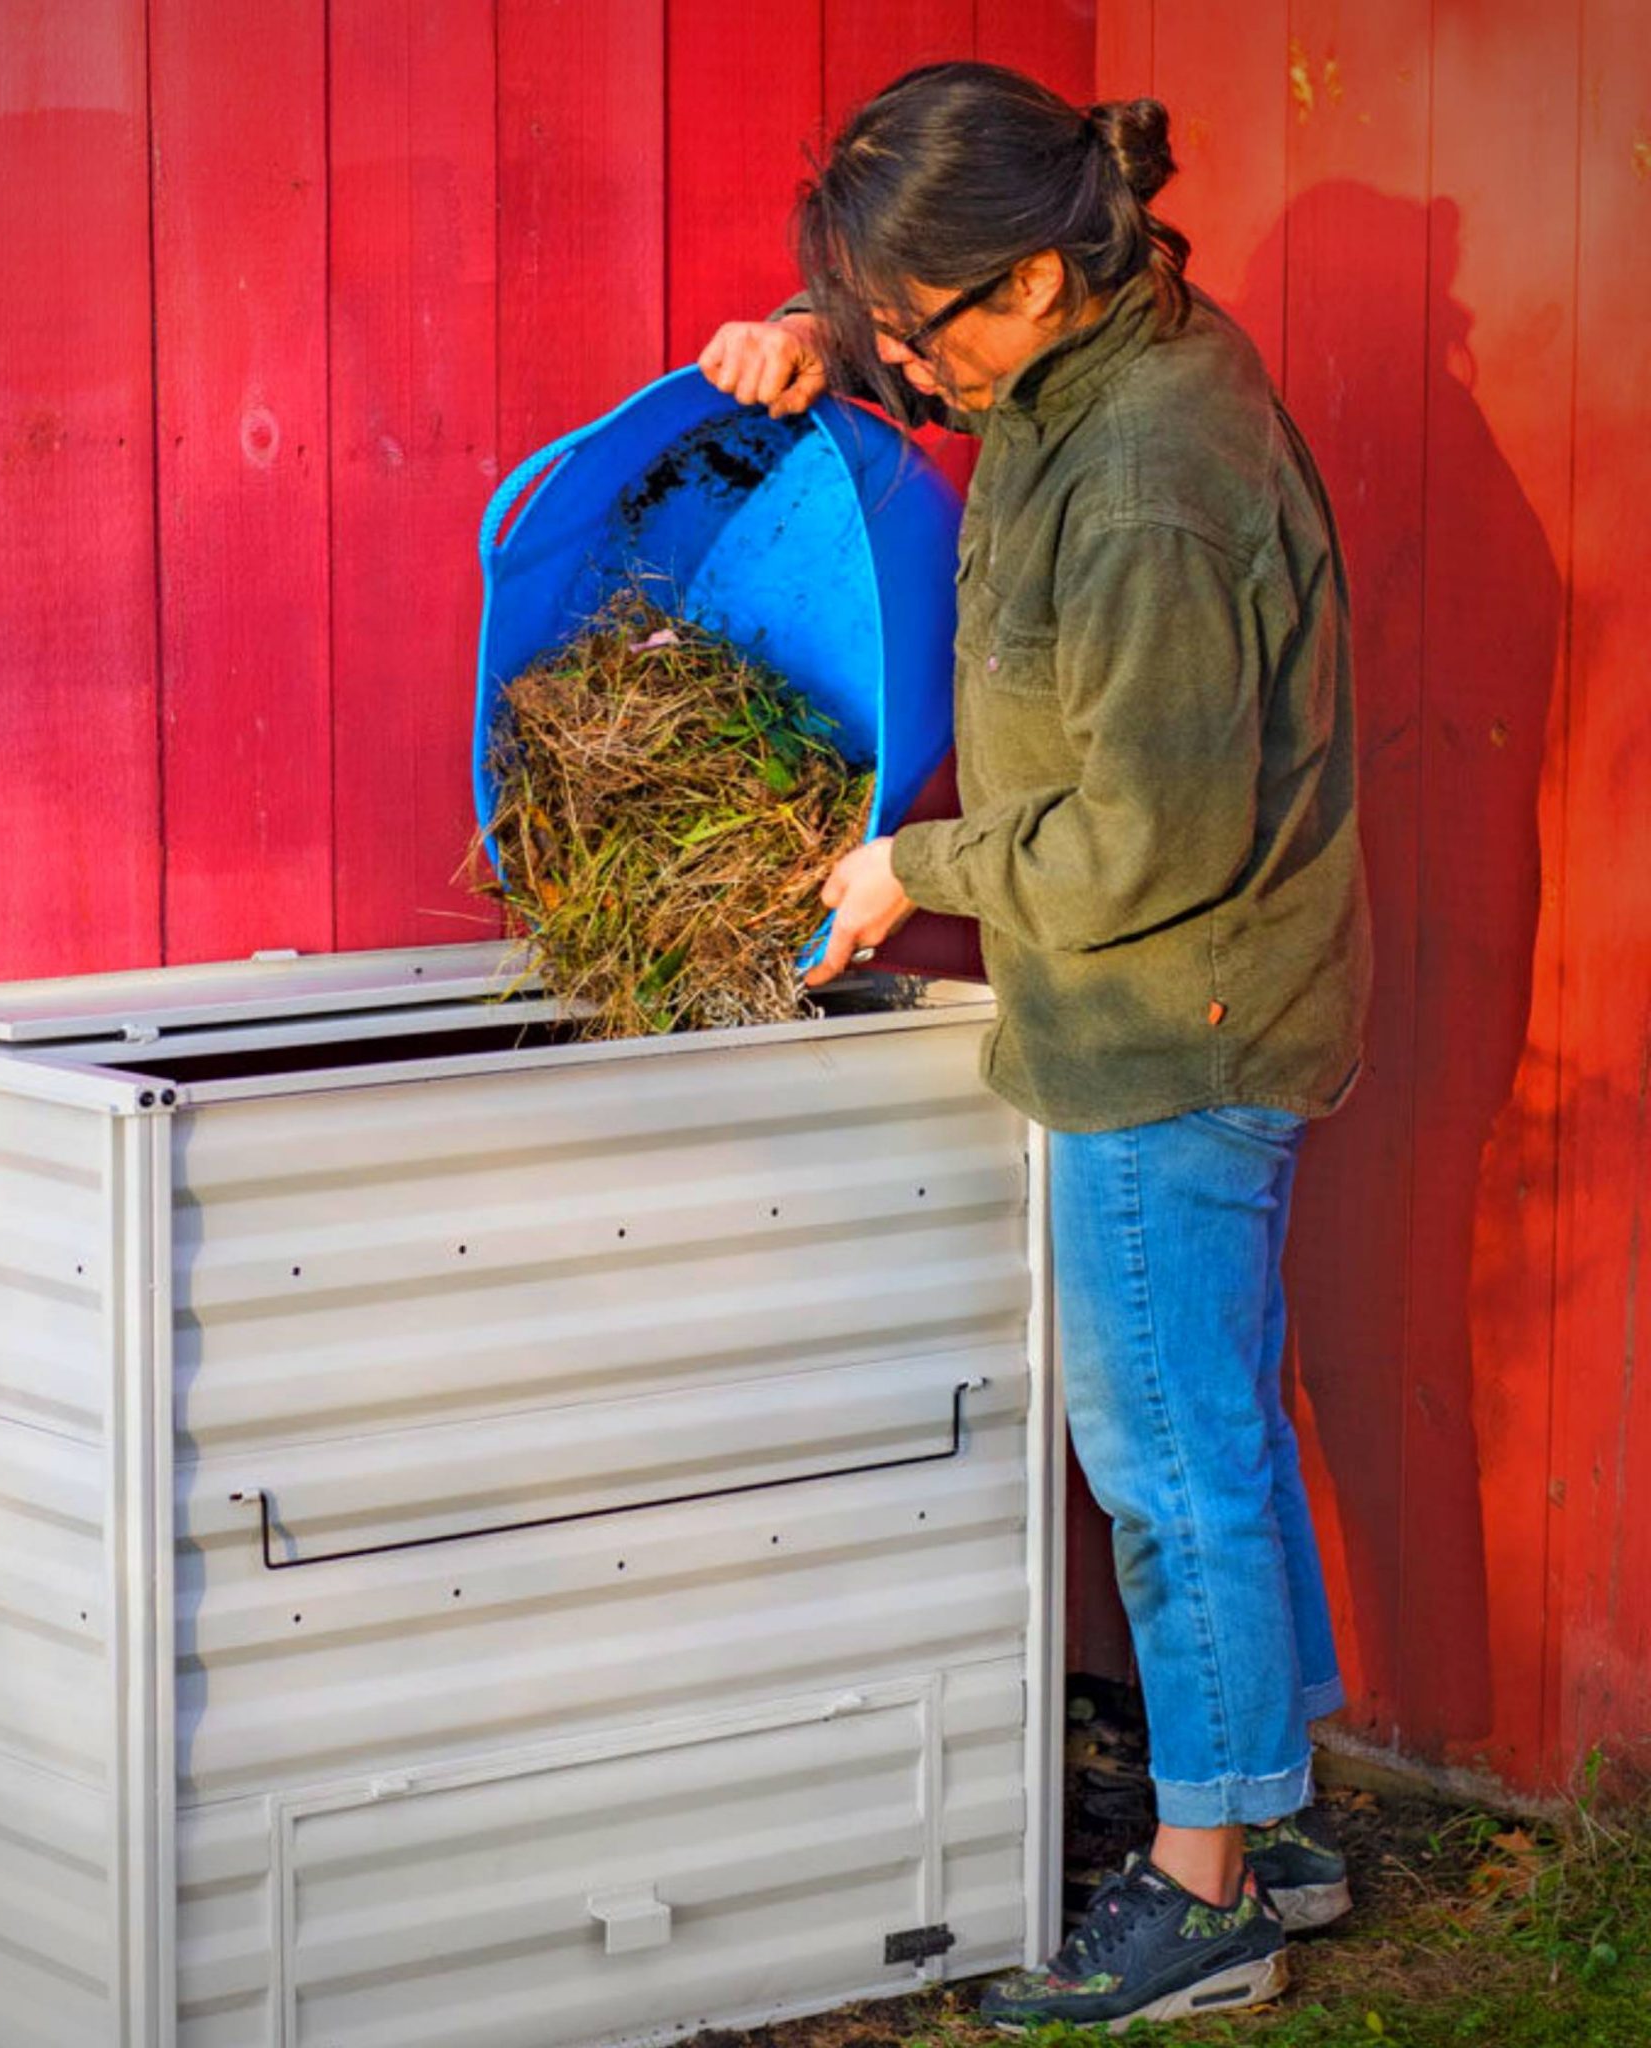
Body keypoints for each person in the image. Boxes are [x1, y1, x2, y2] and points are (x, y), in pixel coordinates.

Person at [699, 62, 1372, 2035]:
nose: (904, 360)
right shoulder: (1083, 345)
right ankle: (1271, 1821)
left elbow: (1141, 841)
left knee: (1162, 1457)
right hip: (1186, 999)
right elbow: (928, 352)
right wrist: (807, 342)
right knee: (1215, 1420)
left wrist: (914, 862)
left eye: (915, 327)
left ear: (1022, 277)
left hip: (1169, 1025)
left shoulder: (1153, 482)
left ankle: (1205, 1901)